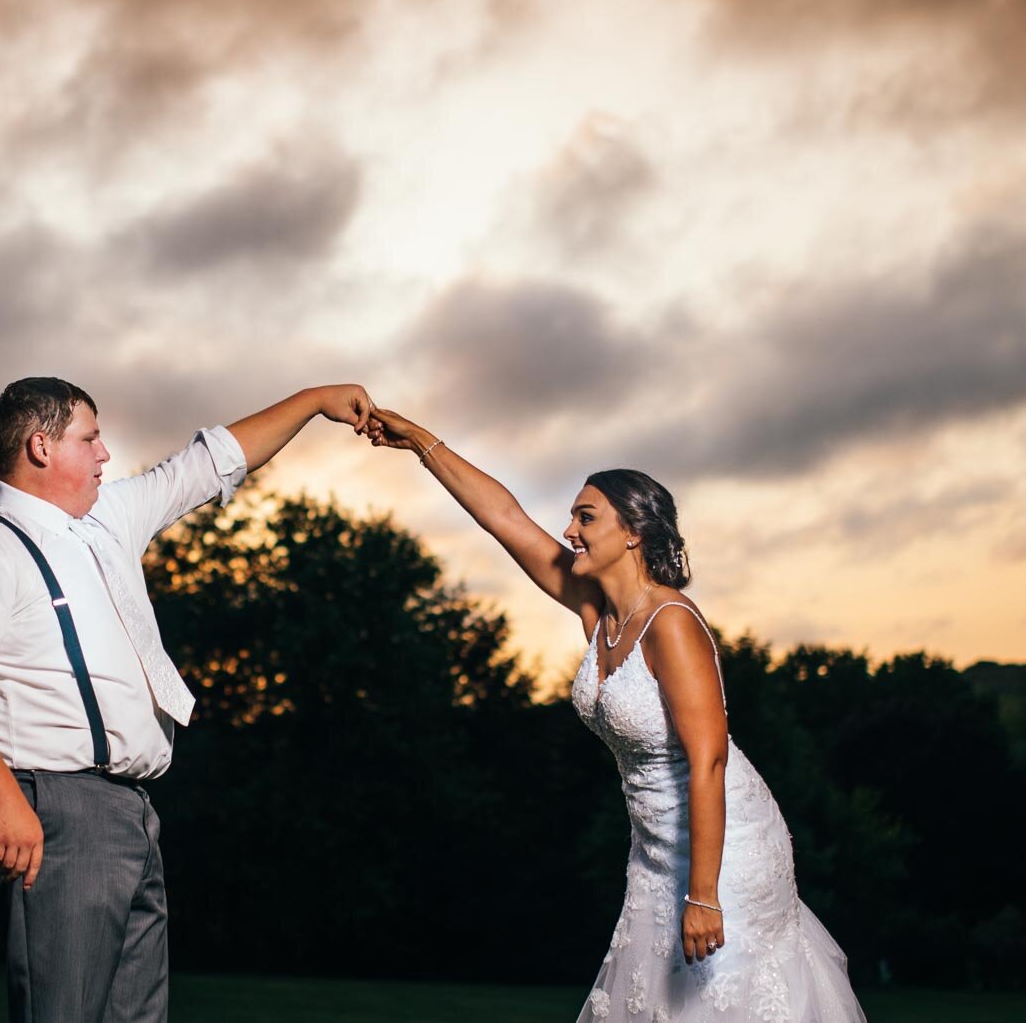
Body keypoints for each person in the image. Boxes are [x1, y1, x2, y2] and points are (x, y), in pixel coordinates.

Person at [365, 407, 865, 1023]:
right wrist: (418, 441)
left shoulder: (672, 624)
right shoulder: (596, 610)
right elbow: (503, 517)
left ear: (633, 531)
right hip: (653, 851)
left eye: (585, 516)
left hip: (723, 847)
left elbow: (708, 760)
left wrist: (704, 895)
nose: (569, 530)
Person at [0, 376, 375, 1023]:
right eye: (90, 437)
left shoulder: (108, 519)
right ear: (42, 447)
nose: (105, 454)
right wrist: (2, 796)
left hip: (131, 812)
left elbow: (210, 461)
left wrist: (316, 400)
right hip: (49, 807)